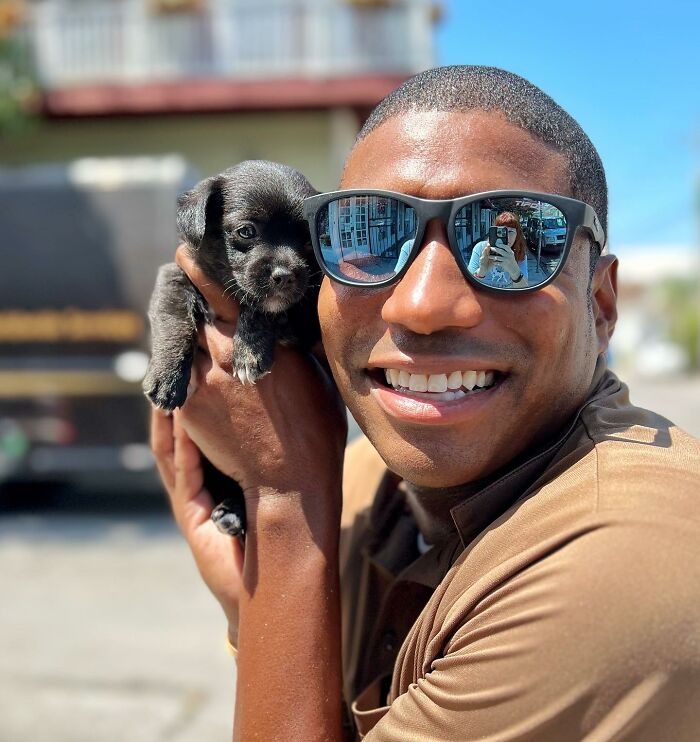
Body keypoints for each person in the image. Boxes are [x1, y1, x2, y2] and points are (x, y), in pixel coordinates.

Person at [150, 66, 700, 741]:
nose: (424, 304)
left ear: (602, 303)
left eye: (512, 245)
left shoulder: (624, 561)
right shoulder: (358, 483)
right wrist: (256, 601)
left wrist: (285, 511)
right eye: (368, 236)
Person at [468, 211, 529, 287]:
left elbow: (524, 289)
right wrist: (481, 271)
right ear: (494, 232)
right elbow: (467, 285)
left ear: (517, 235)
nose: (507, 237)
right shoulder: (481, 248)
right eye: (502, 232)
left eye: (510, 231)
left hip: (507, 297)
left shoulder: (520, 253)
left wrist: (515, 272)